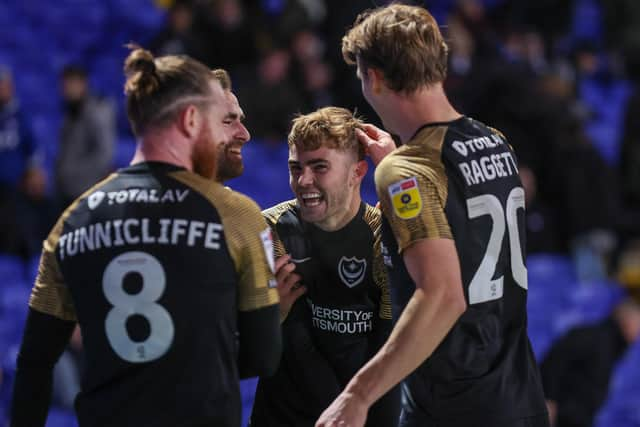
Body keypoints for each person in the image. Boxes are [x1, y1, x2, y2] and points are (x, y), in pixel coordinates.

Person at [9, 47, 281, 427]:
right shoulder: (235, 215)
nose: (240, 133)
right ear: (190, 120)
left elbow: (34, 363)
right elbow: (264, 356)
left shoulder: (73, 219)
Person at [317, 4, 548, 427]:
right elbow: (468, 231)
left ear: (376, 78)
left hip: (454, 405)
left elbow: (443, 295)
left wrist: (357, 395)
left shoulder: (406, 172)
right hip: (520, 395)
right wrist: (401, 158)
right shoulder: (494, 140)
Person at [250, 107, 400, 427]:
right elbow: (287, 341)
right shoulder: (270, 228)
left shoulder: (383, 237)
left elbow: (390, 352)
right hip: (283, 416)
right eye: (295, 167)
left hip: (364, 415)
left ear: (357, 173)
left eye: (320, 167)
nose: (303, 181)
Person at [540, 295, 640, 427]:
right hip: (559, 418)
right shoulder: (592, 337)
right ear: (626, 319)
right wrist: (548, 400)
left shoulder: (612, 347)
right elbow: (553, 364)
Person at [55, 64, 116, 209]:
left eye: (72, 84)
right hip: (67, 190)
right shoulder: (69, 112)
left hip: (87, 191)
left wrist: (83, 182)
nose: (67, 89)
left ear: (83, 84)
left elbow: (104, 154)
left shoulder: (97, 112)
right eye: (65, 85)